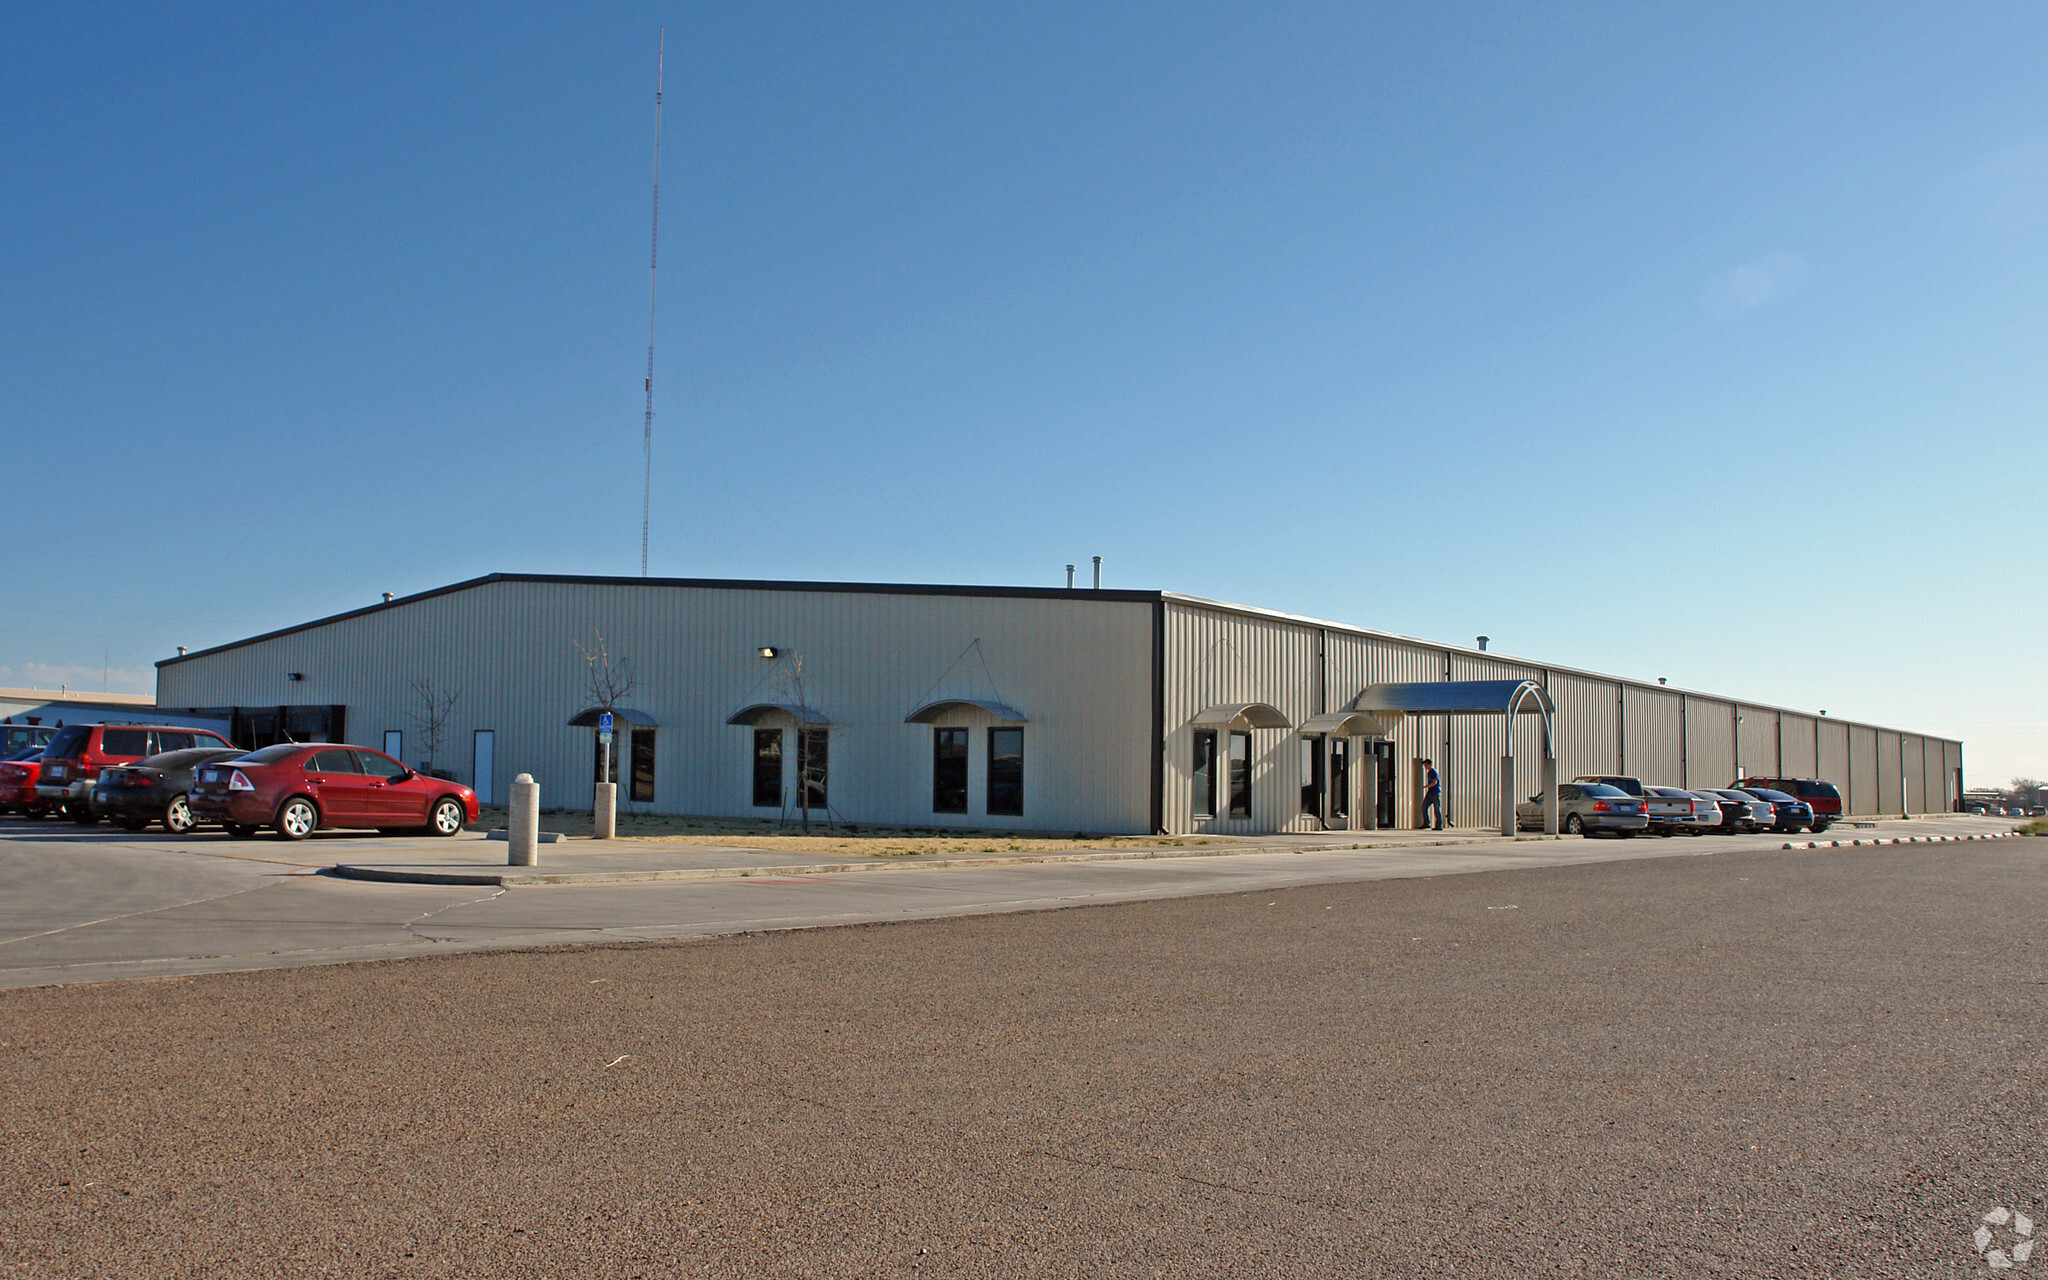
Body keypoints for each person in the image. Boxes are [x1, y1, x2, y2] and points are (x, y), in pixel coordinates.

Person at [1421, 758, 1443, 830]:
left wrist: (1425, 787)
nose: (1425, 766)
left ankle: (1439, 825)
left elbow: (1434, 782)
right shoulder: (1429, 772)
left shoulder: (1434, 772)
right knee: (1424, 807)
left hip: (1435, 792)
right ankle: (1427, 823)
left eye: (1426, 764)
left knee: (1436, 808)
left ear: (1430, 764)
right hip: (1430, 792)